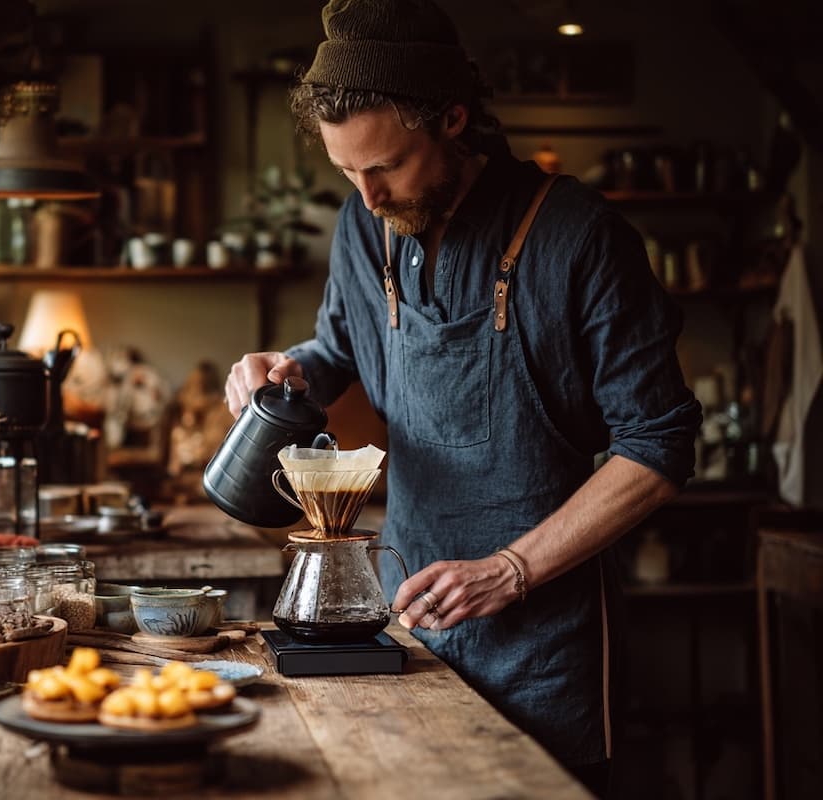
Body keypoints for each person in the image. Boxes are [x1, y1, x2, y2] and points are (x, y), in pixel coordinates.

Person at [222, 1, 701, 795]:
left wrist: (511, 568)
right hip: (409, 627)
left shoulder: (579, 237)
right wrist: (288, 367)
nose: (368, 196)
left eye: (387, 167)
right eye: (347, 173)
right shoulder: (362, 227)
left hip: (546, 646)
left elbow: (659, 443)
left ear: (452, 119)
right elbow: (338, 349)